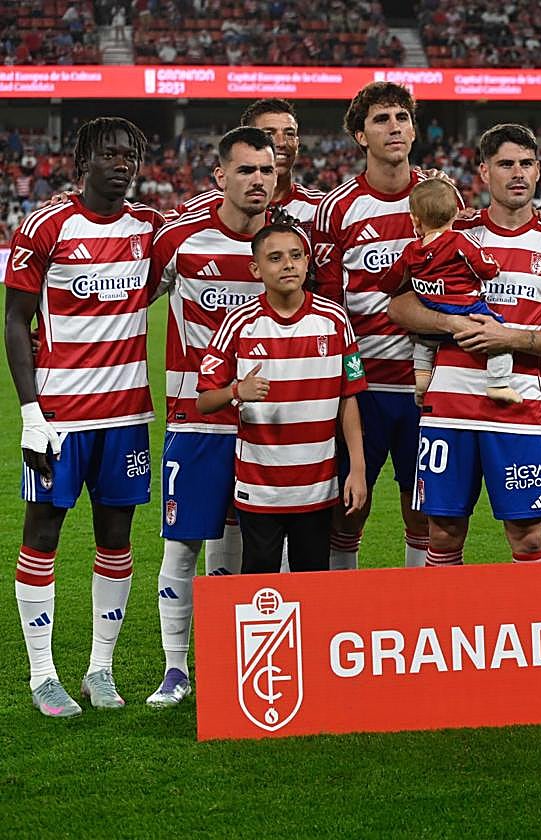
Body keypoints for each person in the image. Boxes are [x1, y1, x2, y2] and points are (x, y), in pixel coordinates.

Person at [5, 117, 162, 717]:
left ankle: (101, 668)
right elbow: (16, 320)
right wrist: (29, 413)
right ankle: (42, 675)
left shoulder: (150, 228)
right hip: (60, 419)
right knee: (43, 533)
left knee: (116, 539)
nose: (121, 163)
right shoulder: (47, 225)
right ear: (81, 162)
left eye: (131, 154)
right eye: (109, 154)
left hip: (126, 418)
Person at [388, 123, 541, 566]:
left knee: (529, 538)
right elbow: (398, 307)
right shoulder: (454, 233)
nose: (517, 173)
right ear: (483, 172)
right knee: (442, 532)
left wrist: (507, 337)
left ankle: (532, 633)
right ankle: (444, 630)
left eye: (526, 164)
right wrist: (450, 322)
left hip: (517, 408)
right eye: (505, 164)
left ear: (539, 172)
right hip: (450, 407)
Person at [145, 125, 277, 708]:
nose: (257, 181)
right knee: (183, 542)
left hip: (271, 424)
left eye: (266, 170)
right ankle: (176, 670)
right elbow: (128, 302)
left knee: (259, 546)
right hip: (196, 421)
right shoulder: (181, 239)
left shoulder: (286, 244)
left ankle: (244, 663)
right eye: (246, 170)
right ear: (220, 175)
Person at [313, 82, 450, 570]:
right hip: (365, 386)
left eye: (401, 118)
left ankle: (418, 616)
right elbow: (328, 308)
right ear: (359, 136)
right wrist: (345, 383)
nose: (394, 127)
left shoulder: (440, 196)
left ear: (413, 129)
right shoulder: (339, 207)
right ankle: (342, 613)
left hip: (428, 385)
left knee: (425, 511)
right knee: (349, 508)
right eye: (381, 119)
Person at [196, 223, 369, 571]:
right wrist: (235, 391)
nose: (288, 265)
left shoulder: (334, 320)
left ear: (307, 262)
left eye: (295, 256)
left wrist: (358, 469)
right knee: (260, 587)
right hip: (259, 489)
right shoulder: (240, 323)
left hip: (317, 487)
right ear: (256, 269)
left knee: (312, 585)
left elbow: (348, 397)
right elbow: (203, 401)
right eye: (275, 258)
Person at [393, 178, 515, 404]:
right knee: (500, 336)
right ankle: (498, 383)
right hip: (464, 307)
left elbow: (390, 281)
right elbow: (483, 266)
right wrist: (494, 268)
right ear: (456, 213)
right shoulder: (460, 239)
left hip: (428, 306)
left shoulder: (411, 249)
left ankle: (421, 380)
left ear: (415, 220)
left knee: (424, 342)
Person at [175, 99, 324, 233]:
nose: (281, 143)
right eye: (269, 134)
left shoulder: (322, 208)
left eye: (289, 134)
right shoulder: (203, 207)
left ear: (298, 143)